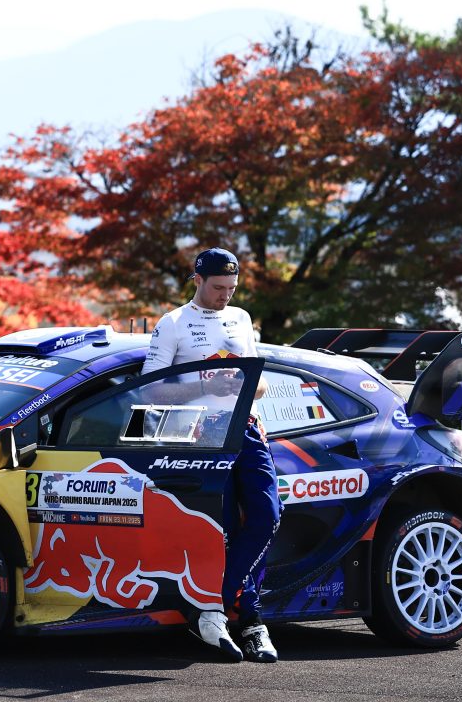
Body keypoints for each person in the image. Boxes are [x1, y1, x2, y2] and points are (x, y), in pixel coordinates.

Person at [141, 247, 282, 663]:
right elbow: (149, 390)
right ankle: (250, 620)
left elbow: (261, 385)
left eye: (232, 288)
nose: (225, 295)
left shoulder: (240, 318)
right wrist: (205, 386)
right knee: (219, 530)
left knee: (268, 515)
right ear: (197, 280)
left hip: (245, 427)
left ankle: (215, 603)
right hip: (197, 434)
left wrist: (239, 381)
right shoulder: (173, 324)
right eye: (218, 287)